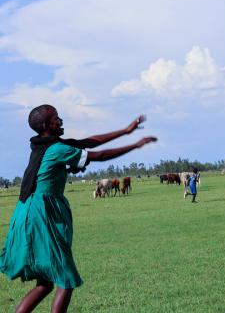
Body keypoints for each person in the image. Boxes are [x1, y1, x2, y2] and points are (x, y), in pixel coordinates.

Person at [0, 104, 157, 313]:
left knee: (45, 283)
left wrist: (125, 131)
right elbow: (98, 155)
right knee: (66, 280)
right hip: (41, 213)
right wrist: (135, 145)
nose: (61, 120)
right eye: (56, 118)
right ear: (47, 124)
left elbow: (86, 142)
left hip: (27, 211)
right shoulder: (56, 149)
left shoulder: (43, 146)